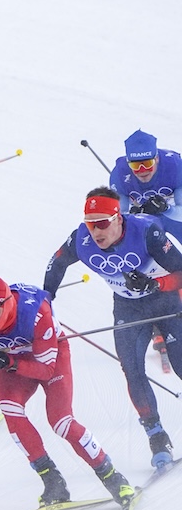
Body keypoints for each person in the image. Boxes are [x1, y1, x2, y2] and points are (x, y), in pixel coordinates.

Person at [0, 274, 135, 506]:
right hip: (12, 358)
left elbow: (46, 370)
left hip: (49, 357)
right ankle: (53, 482)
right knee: (10, 409)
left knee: (61, 422)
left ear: (6, 304)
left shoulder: (36, 314)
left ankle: (112, 477)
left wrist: (8, 362)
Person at [43, 188, 182, 467]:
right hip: (128, 308)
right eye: (90, 223)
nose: (96, 231)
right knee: (131, 368)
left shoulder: (147, 232)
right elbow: (56, 263)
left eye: (102, 223)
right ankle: (156, 437)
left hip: (166, 301)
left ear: (118, 218)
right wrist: (46, 300)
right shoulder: (81, 239)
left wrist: (156, 284)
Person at [107, 129, 182, 369]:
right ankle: (160, 325)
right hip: (148, 221)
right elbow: (119, 220)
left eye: (147, 164)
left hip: (174, 216)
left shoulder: (175, 166)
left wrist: (166, 207)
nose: (142, 171)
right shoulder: (120, 175)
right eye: (135, 166)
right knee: (148, 261)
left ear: (157, 158)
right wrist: (135, 214)